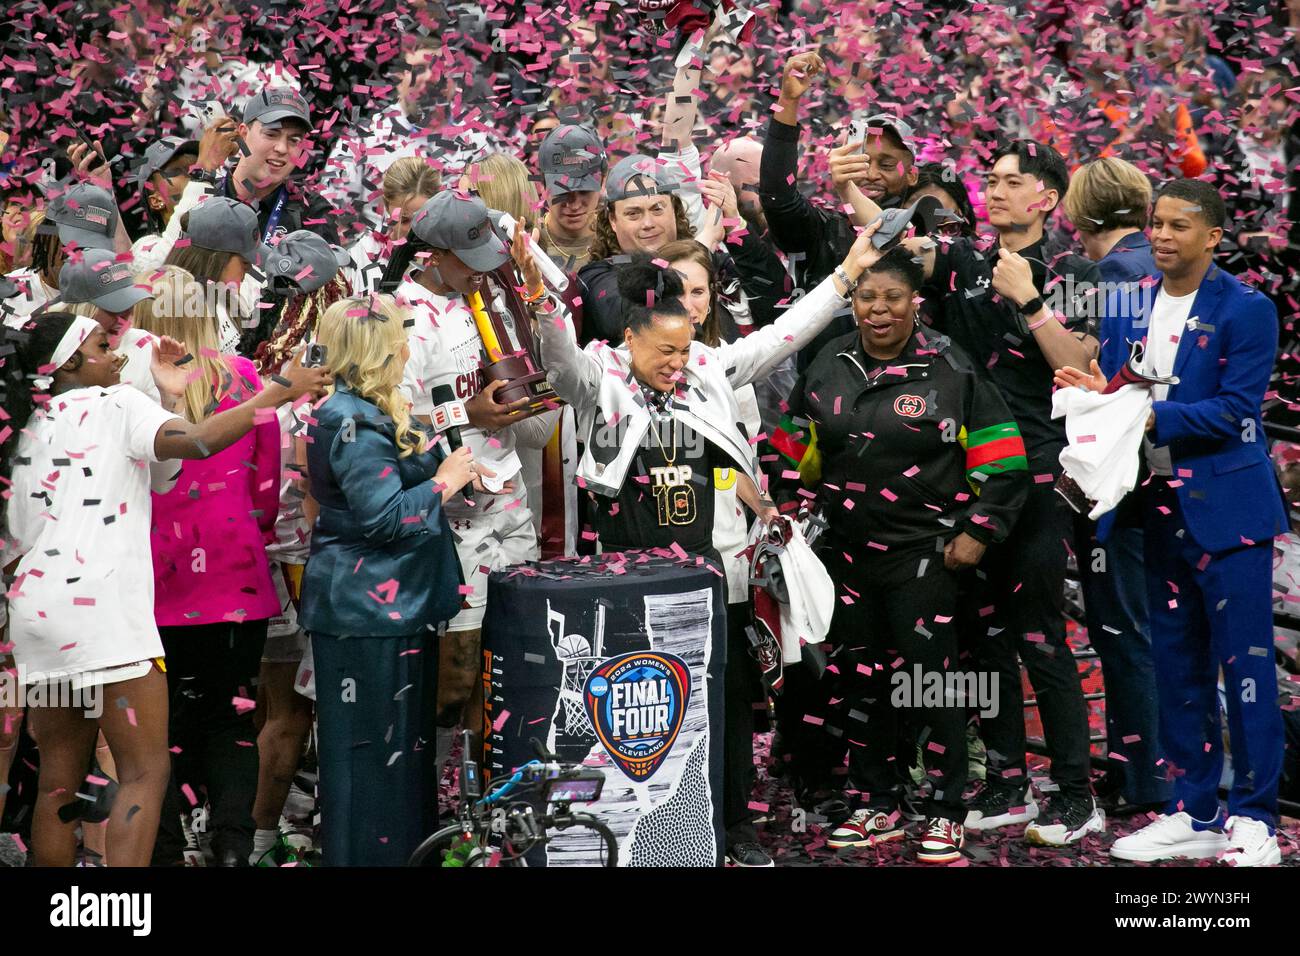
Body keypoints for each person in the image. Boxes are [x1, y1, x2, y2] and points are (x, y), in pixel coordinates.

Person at [537, 217, 882, 867]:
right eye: (661, 344)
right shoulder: (599, 379)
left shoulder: (707, 369)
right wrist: (535, 295)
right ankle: (645, 833)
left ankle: (733, 826)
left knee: (721, 706)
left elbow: (782, 336)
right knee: (641, 707)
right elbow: (558, 359)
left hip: (710, 574)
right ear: (629, 335)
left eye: (684, 340)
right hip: (629, 581)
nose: (677, 355)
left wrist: (846, 275)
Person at [0, 311, 329, 867]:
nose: (120, 354)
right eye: (105, 345)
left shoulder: (23, 426)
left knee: (58, 781)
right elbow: (200, 443)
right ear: (70, 362)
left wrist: (171, 398)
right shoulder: (117, 404)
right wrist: (279, 391)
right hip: (106, 614)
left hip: (38, 617)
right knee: (145, 771)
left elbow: (160, 468)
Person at [1058, 180, 1288, 867]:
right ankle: (1195, 810)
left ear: (1213, 237)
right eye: (1156, 223)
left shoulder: (1249, 310)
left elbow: (1236, 411)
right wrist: (1095, 396)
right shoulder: (1129, 302)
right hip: (1153, 508)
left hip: (1230, 514)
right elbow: (1119, 382)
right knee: (1176, 668)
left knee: (1246, 670)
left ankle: (1255, 818)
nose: (1160, 235)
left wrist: (1144, 415)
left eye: (1178, 226)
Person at [883, 139, 1104, 845]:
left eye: (1014, 182)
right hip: (968, 475)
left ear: (1047, 198)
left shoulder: (1072, 270)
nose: (997, 191)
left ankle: (1076, 796)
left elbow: (1078, 367)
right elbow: (890, 242)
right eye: (993, 179)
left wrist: (1031, 299)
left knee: (1042, 637)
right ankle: (1007, 782)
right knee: (982, 640)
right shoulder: (965, 261)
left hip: (1039, 475)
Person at [782, 245, 1028, 862]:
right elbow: (789, 447)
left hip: (927, 556)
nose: (879, 310)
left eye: (893, 297)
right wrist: (783, 506)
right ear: (854, 303)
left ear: (914, 302)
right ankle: (877, 804)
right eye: (867, 298)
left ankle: (946, 809)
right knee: (861, 681)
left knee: (932, 684)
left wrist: (978, 531)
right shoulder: (828, 362)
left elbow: (1004, 458)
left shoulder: (951, 366)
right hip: (845, 556)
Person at [298, 294, 481, 866]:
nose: (408, 347)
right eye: (400, 338)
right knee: (372, 760)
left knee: (402, 753)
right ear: (380, 350)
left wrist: (450, 475)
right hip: (368, 613)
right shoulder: (350, 418)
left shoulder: (371, 409)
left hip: (395, 609)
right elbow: (381, 518)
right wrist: (443, 483)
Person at [379, 189, 554, 774]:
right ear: (430, 255)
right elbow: (392, 419)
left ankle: (488, 804)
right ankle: (425, 803)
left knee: (505, 673)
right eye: (468, 258)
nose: (483, 269)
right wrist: (469, 416)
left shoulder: (489, 297)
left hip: (512, 507)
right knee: (454, 678)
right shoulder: (400, 317)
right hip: (454, 521)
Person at [131, 267, 282, 867]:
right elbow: (268, 483)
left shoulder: (130, 390)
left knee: (153, 729)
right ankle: (232, 848)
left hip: (153, 576)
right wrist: (253, 529)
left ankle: (163, 852)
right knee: (230, 718)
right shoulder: (245, 380)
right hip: (234, 572)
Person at [1061, 156, 1170, 815]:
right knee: (1148, 619)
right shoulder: (1160, 262)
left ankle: (1146, 777)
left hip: (1125, 473)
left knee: (1124, 624)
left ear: (1077, 212)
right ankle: (1143, 762)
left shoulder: (1115, 273)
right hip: (1169, 463)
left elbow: (1120, 379)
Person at [163, 196, 272, 354]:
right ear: (215, 260)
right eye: (245, 262)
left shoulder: (223, 298)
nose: (248, 271)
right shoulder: (181, 312)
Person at [347, 156, 441, 297]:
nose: (412, 230)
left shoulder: (445, 260)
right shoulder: (360, 256)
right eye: (404, 220)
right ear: (387, 206)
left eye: (423, 220)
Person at [535, 124, 607, 272]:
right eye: (562, 192)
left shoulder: (618, 237)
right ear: (542, 186)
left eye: (584, 191)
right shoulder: (530, 244)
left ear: (602, 181)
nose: (574, 205)